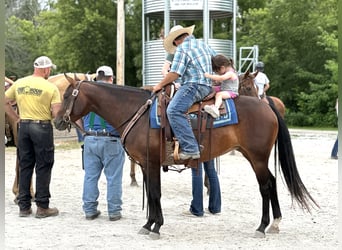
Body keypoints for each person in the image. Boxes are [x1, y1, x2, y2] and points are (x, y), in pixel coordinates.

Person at [4, 55, 60, 218]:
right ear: (46, 69)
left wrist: (15, 118)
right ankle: (42, 206)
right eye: (49, 69)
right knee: (44, 165)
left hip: (24, 127)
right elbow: (56, 113)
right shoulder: (50, 87)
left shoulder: (20, 83)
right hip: (42, 127)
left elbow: (4, 101)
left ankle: (24, 206)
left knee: (25, 165)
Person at [153, 24, 216, 160]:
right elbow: (217, 62)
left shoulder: (182, 48)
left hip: (194, 85)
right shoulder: (203, 44)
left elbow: (175, 73)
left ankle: (190, 148)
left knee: (173, 110)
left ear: (175, 40)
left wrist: (159, 85)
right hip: (208, 86)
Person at [78, 65, 125, 221]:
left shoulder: (88, 94)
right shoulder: (117, 94)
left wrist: (84, 131)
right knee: (114, 177)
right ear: (111, 78)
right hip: (111, 138)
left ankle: (90, 210)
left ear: (97, 78)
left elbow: (76, 114)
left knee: (90, 176)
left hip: (90, 138)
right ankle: (114, 212)